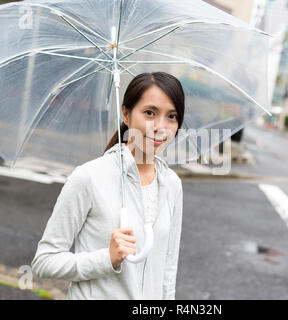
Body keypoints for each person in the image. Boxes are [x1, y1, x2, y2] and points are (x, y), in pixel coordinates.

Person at [31, 72, 185, 300]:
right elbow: (44, 262)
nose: (161, 126)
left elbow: (168, 270)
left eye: (171, 116)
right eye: (150, 113)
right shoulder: (89, 177)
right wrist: (107, 258)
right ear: (126, 113)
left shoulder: (172, 184)